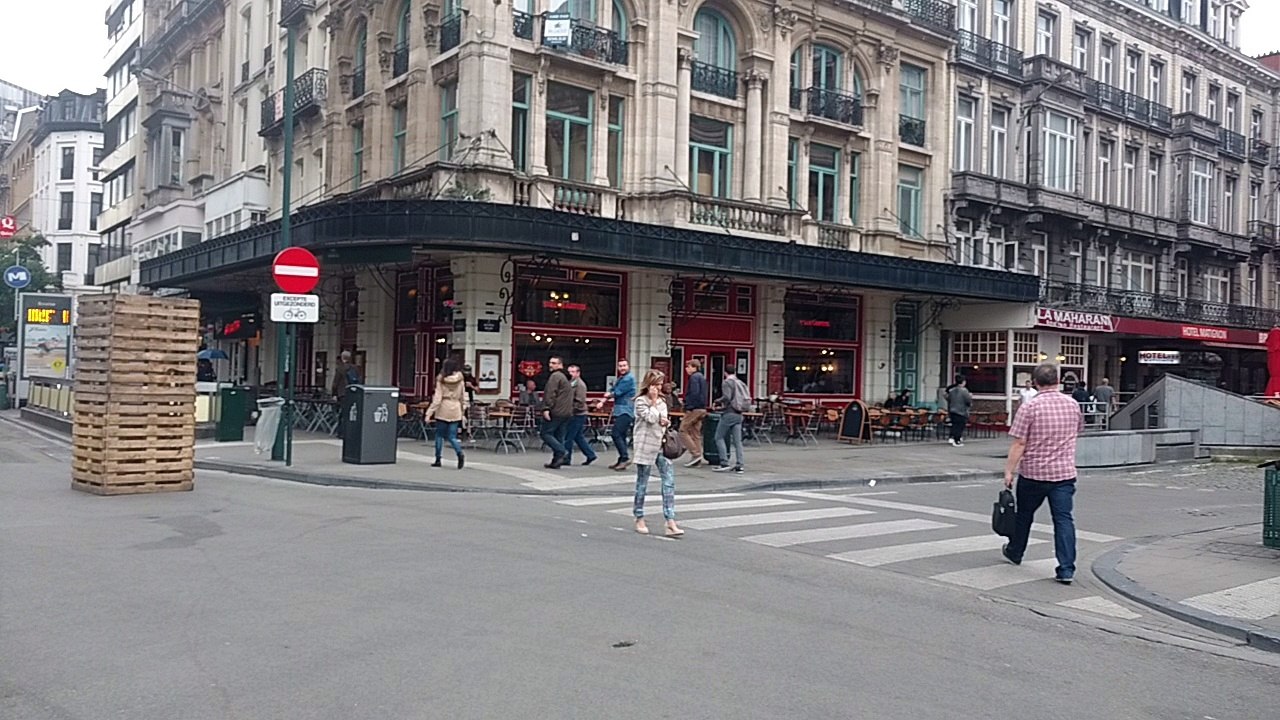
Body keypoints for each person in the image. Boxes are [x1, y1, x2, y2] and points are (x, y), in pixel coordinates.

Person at [1001, 362, 1085, 584]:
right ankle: (1066, 568)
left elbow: (1020, 442)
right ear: (1058, 381)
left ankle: (1016, 551)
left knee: (1024, 516)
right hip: (1063, 474)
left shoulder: (1029, 407)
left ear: (1036, 383)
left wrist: (1009, 471)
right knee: (1063, 519)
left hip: (1034, 473)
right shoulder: (1073, 404)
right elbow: (1078, 430)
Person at [631, 369, 683, 538]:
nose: (658, 388)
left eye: (660, 384)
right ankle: (639, 516)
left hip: (661, 444)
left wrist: (665, 420)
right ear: (648, 385)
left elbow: (662, 419)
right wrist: (653, 403)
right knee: (642, 482)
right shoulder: (640, 401)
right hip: (646, 445)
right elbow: (651, 418)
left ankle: (670, 521)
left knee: (669, 482)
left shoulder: (662, 401)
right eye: (655, 384)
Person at [425, 358, 467, 469]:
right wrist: (463, 411)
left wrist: (429, 413)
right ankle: (459, 453)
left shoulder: (441, 380)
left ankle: (438, 459)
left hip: (444, 408)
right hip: (456, 408)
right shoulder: (460, 380)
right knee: (452, 436)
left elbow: (437, 399)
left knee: (439, 435)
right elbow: (463, 397)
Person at [596, 359, 635, 471]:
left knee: (616, 433)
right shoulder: (621, 378)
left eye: (624, 365)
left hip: (626, 410)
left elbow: (617, 392)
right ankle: (622, 458)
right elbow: (613, 389)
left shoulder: (628, 378)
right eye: (620, 366)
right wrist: (605, 398)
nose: (622, 368)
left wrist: (605, 399)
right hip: (620, 410)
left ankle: (625, 458)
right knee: (621, 435)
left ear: (628, 366)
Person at [712, 367, 750, 473]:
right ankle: (740, 465)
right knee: (738, 441)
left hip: (729, 413)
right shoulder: (740, 382)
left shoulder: (727, 382)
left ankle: (724, 462)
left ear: (725, 373)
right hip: (739, 413)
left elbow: (727, 397)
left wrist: (717, 401)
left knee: (718, 437)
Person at [539, 356, 574, 469]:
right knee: (559, 436)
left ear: (560, 365)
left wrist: (546, 408)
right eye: (550, 363)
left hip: (557, 411)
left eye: (554, 363)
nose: (551, 365)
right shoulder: (565, 378)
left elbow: (550, 393)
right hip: (567, 412)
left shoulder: (555, 376)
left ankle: (562, 451)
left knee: (545, 433)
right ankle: (556, 460)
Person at [562, 364, 598, 466]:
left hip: (578, 414)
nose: (571, 374)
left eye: (573, 372)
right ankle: (590, 454)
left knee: (569, 436)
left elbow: (580, 401)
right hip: (574, 413)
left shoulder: (580, 385)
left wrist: (571, 410)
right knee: (578, 437)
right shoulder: (570, 383)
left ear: (578, 373)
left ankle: (566, 457)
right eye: (569, 372)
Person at [679, 359, 709, 468]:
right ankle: (697, 458)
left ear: (694, 367)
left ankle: (695, 454)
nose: (686, 369)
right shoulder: (702, 377)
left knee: (683, 430)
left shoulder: (694, 377)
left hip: (694, 409)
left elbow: (694, 393)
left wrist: (688, 406)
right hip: (702, 408)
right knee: (695, 433)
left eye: (688, 367)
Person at [331, 351, 361, 438]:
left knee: (343, 413)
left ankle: (342, 432)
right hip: (353, 393)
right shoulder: (355, 368)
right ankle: (351, 432)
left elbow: (335, 383)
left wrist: (334, 394)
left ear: (342, 357)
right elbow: (359, 380)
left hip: (343, 393)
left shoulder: (340, 368)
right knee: (352, 413)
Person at [946, 375, 973, 447]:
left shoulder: (952, 391)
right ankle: (957, 440)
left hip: (952, 410)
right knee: (960, 426)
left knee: (954, 425)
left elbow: (948, 399)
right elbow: (968, 401)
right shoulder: (964, 391)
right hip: (961, 411)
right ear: (963, 382)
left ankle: (952, 437)